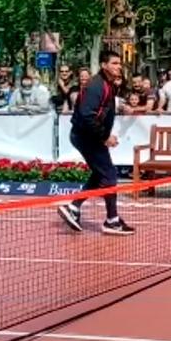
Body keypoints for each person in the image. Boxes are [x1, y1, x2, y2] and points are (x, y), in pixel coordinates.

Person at [57, 50, 134, 235]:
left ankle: (73, 207)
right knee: (109, 174)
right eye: (114, 63)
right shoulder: (96, 86)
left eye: (119, 63)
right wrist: (104, 137)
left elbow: (103, 110)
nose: (118, 67)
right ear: (103, 65)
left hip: (90, 136)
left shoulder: (108, 84)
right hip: (85, 136)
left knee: (100, 174)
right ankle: (111, 221)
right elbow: (87, 115)